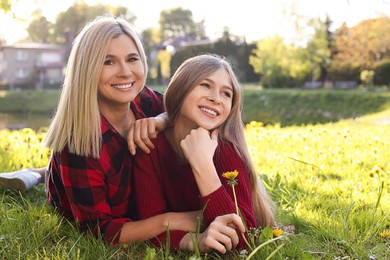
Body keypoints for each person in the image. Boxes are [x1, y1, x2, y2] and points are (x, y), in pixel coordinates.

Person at [0, 15, 202, 246]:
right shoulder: (78, 147)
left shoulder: (143, 100)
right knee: (63, 176)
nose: (125, 72)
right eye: (109, 62)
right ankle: (40, 175)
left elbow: (180, 111)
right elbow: (98, 230)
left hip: (113, 180)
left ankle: (41, 171)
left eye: (132, 58)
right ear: (87, 69)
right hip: (74, 185)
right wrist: (171, 220)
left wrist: (161, 119)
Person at [134, 54, 276, 253]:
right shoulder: (150, 148)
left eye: (226, 93)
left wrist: (202, 163)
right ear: (180, 89)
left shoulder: (226, 150)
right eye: (205, 85)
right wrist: (194, 241)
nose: (216, 98)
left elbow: (241, 239)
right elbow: (150, 227)